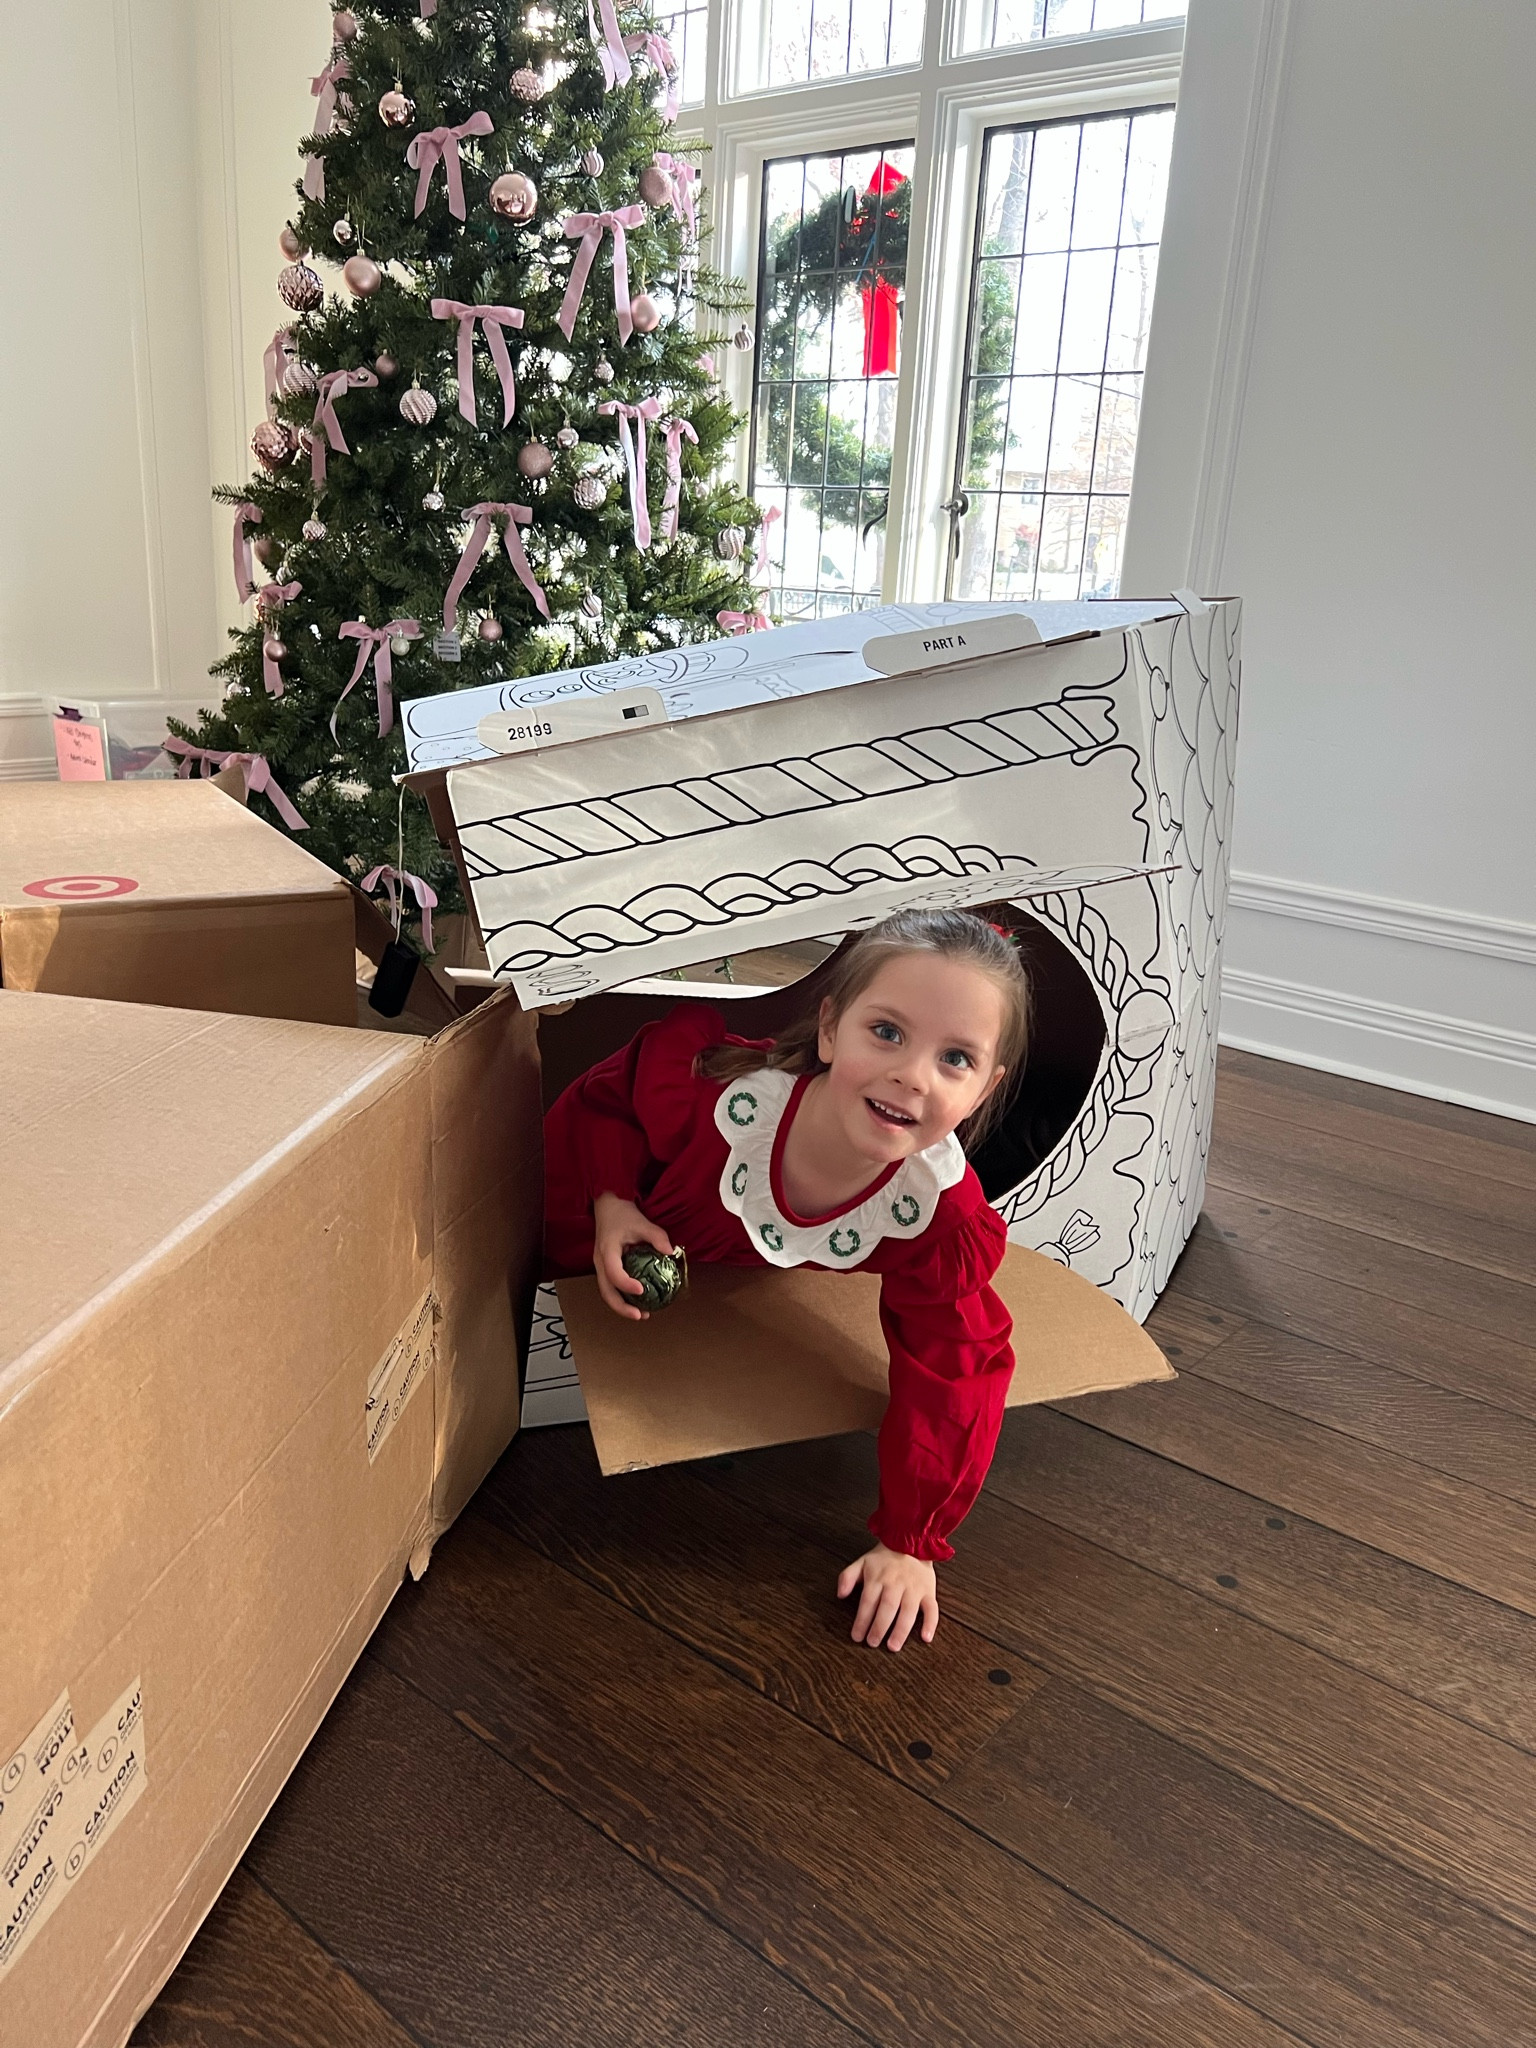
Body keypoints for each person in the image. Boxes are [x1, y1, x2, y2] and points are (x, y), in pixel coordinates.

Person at [543, 907, 1030, 1653]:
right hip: (597, 1230)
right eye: (887, 1032)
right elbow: (604, 1102)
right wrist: (612, 1202)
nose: (911, 1075)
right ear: (830, 1030)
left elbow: (961, 1364)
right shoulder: (722, 1108)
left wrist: (911, 1541)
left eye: (955, 1058)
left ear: (985, 1089)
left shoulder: (934, 1212)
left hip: (719, 1284)